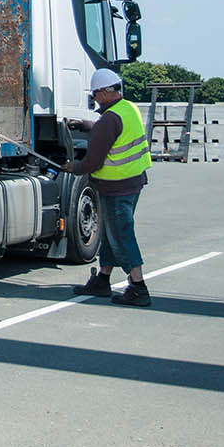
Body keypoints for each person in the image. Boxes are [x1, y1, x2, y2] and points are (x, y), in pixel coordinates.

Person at [69, 66, 154, 306]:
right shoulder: (129, 109)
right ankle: (102, 279)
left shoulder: (109, 119)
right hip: (132, 182)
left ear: (106, 92)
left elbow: (92, 162)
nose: (94, 98)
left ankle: (138, 286)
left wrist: (72, 167)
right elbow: (116, 131)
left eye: (95, 94)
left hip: (116, 186)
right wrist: (88, 125)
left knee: (121, 235)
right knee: (111, 234)